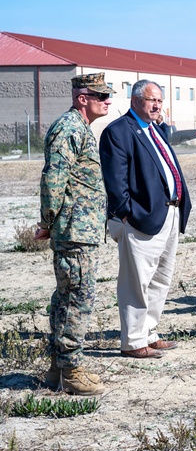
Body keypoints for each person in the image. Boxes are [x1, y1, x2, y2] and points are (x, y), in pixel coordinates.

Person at [100, 81, 192, 359]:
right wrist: (127, 213)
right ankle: (133, 341)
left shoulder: (155, 129)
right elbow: (115, 180)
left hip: (168, 214)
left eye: (160, 101)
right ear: (135, 100)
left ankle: (149, 333)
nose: (157, 106)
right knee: (135, 282)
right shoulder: (118, 131)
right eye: (152, 100)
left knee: (160, 279)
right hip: (140, 218)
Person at [36, 72, 113, 395]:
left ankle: (58, 367)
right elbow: (54, 177)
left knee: (68, 296)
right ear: (82, 99)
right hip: (74, 230)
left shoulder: (80, 129)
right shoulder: (68, 128)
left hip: (81, 229)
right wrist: (47, 220)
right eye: (101, 96)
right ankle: (71, 370)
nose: (107, 101)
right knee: (77, 298)